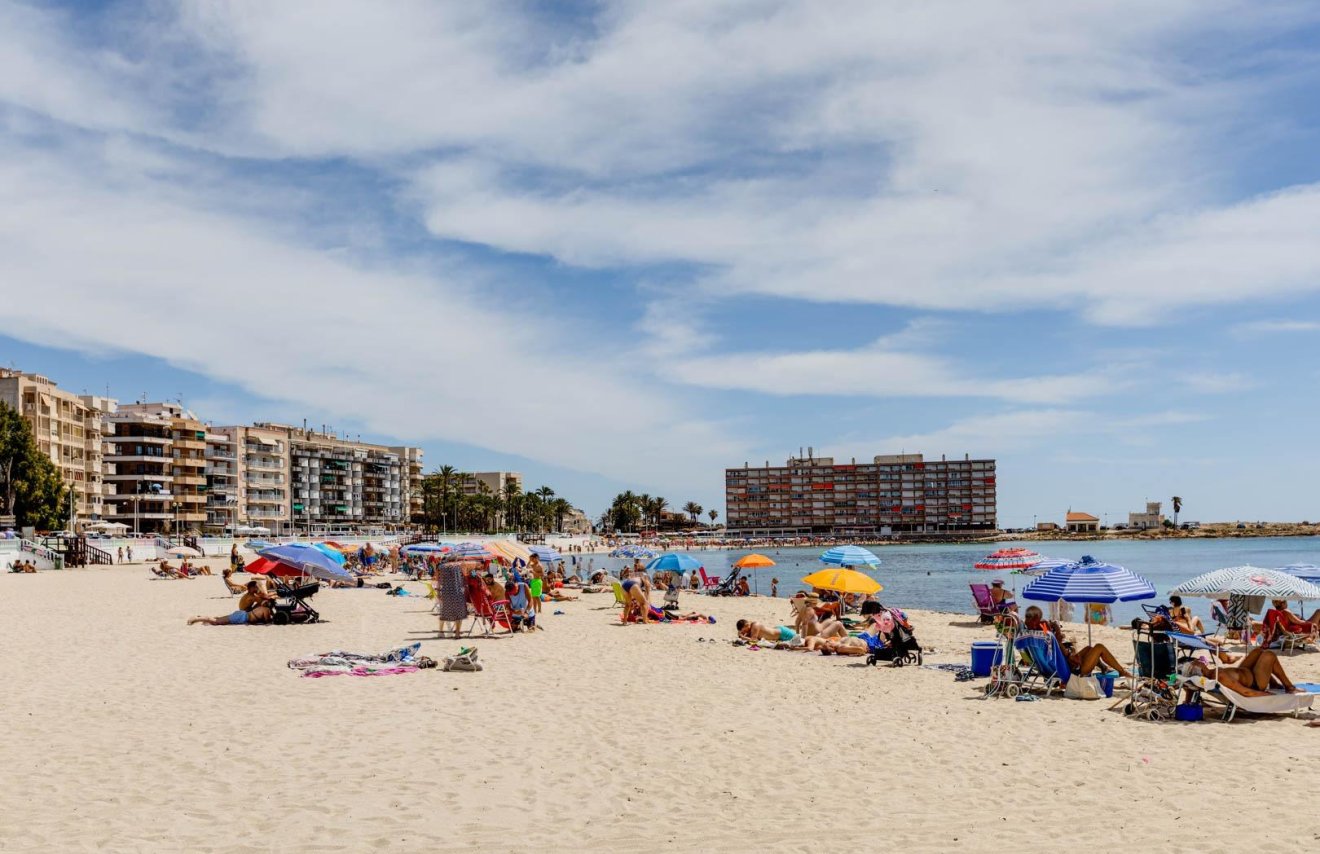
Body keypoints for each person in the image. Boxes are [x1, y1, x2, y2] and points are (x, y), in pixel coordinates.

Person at [1022, 606, 1131, 678]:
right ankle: (1121, 671)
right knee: (1099, 647)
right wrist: (1057, 629)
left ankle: (1103, 667)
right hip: (1071, 670)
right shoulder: (1044, 627)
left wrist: (1055, 634)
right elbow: (1057, 643)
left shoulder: (1029, 635)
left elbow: (1053, 642)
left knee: (1089, 649)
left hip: (1048, 668)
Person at [1185, 647, 1303, 696]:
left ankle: (1273, 683)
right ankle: (1289, 687)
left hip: (1245, 672)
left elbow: (1189, 687)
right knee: (1269, 655)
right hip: (1256, 683)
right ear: (1199, 670)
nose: (1197, 660)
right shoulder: (1219, 677)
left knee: (1258, 651)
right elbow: (1246, 692)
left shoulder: (1211, 672)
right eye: (1196, 663)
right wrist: (1265, 695)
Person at [434, 559, 469, 639]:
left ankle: (441, 632)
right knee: (459, 613)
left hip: (446, 592)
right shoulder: (460, 565)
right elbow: (465, 577)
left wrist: (438, 593)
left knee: (444, 611)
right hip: (458, 592)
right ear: (456, 559)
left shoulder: (441, 567)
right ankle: (457, 634)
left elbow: (438, 581)